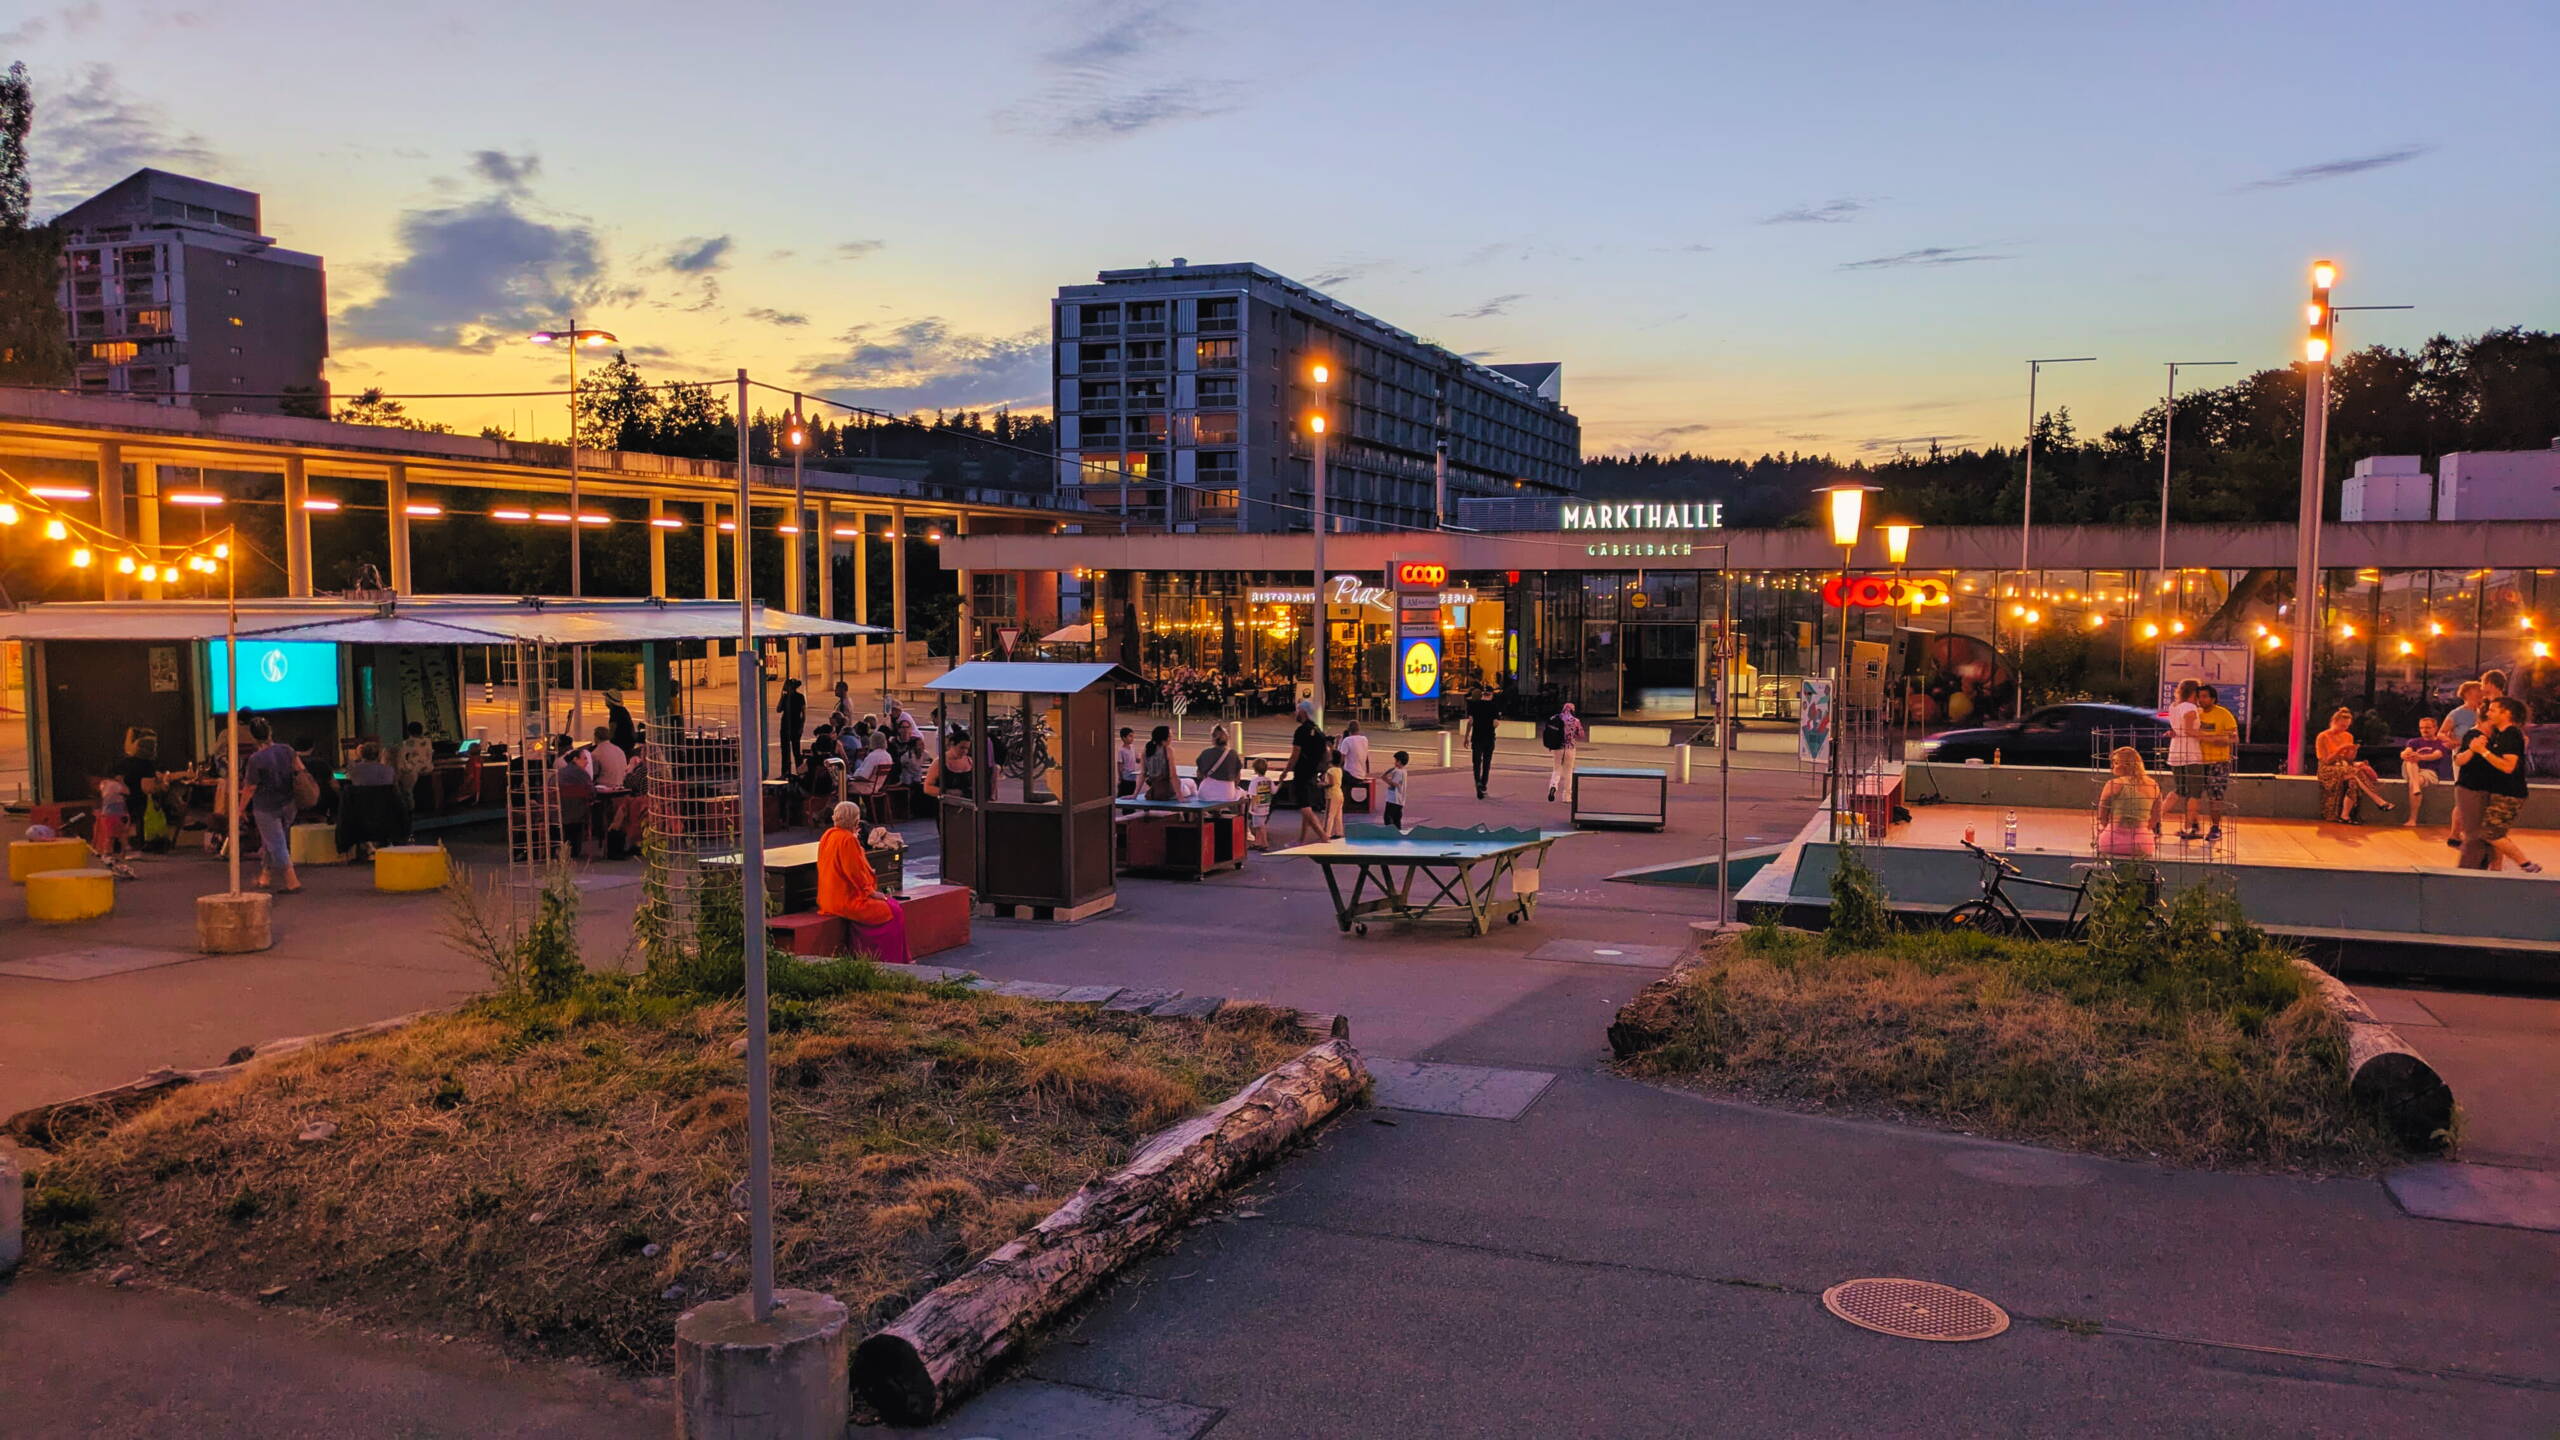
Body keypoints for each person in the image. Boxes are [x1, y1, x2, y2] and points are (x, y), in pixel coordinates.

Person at [819, 800, 910, 964]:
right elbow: (855, 874)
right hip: (847, 900)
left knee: (892, 907)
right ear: (856, 820)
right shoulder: (848, 840)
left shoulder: (828, 835)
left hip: (828, 898)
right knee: (894, 910)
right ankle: (893, 958)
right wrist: (871, 892)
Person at [2456, 697, 2540, 872]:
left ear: (2506, 713)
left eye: (2493, 710)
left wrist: (2483, 751)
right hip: (2499, 791)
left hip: (2509, 793)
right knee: (2488, 833)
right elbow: (2460, 759)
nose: (2488, 713)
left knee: (2490, 834)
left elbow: (2508, 766)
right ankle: (2492, 868)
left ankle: (2525, 864)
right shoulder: (2502, 734)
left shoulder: (2510, 734)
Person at [242, 717, 301, 894]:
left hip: (266, 806)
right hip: (289, 802)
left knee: (276, 843)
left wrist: (240, 808)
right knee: (274, 839)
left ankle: (292, 880)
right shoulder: (287, 750)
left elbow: (250, 788)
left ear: (252, 737)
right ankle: (265, 875)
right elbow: (300, 770)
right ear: (270, 732)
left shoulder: (255, 759)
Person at [2316, 708, 2393, 823]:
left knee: (2353, 782)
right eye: (2342, 725)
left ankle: (2345, 815)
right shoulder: (2323, 736)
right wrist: (2340, 749)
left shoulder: (2348, 736)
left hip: (2344, 767)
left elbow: (2349, 759)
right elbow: (2326, 761)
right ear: (2334, 722)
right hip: (2328, 769)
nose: (2344, 729)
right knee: (2354, 772)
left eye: (2347, 726)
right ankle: (2379, 801)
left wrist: (2352, 751)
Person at [2093, 746, 2162, 858]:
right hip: (2142, 843)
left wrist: (2111, 829)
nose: (2112, 766)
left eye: (2115, 762)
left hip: (2113, 841)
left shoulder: (2113, 784)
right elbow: (2155, 818)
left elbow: (2102, 816)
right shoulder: (2153, 785)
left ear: (2125, 764)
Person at [2194, 684, 2240, 842]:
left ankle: (2215, 827)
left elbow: (2233, 738)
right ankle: (2193, 826)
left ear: (2213, 698)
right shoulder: (2195, 714)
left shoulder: (2223, 714)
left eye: (2205, 696)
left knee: (2215, 796)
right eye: (2199, 696)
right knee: (2193, 795)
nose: (2201, 700)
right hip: (2198, 761)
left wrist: (2207, 738)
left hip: (2218, 762)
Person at [2161, 679, 2206, 838]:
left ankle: (2155, 819)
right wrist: (2211, 736)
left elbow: (2178, 729)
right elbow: (2189, 730)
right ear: (2194, 693)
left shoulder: (2174, 707)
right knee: (2195, 792)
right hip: (2190, 753)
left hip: (2176, 752)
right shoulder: (2190, 707)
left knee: (2180, 789)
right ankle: (2190, 828)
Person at [2399, 716, 2453, 826]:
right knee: (2410, 761)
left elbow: (2435, 755)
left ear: (2435, 728)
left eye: (2428, 727)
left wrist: (2419, 757)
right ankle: (2416, 786)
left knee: (2414, 778)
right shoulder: (2414, 742)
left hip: (2429, 772)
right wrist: (2406, 754)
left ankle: (2412, 819)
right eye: (2422, 728)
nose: (2424, 730)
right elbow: (2405, 753)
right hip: (2411, 769)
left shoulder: (2441, 743)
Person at [554, 738, 596, 858]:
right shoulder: (582, 775)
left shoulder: (559, 773)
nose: (587, 762)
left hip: (559, 811)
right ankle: (575, 850)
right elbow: (592, 793)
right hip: (578, 812)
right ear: (575, 759)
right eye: (584, 759)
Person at [1287, 699, 1329, 811]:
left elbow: (1295, 754)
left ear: (1303, 712)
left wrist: (1286, 771)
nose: (1296, 713)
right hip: (1313, 772)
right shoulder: (1317, 729)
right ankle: (1305, 829)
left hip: (1303, 772)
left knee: (1304, 807)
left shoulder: (1301, 731)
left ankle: (1319, 830)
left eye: (1298, 710)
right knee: (1308, 806)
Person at [1298, 744, 1344, 844]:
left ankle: (1326, 833)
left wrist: (1320, 784)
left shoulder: (1330, 770)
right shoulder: (1339, 769)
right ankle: (1339, 831)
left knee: (1329, 815)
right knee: (1337, 814)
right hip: (1339, 794)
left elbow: (1330, 783)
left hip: (1332, 795)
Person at [1466, 686, 1503, 799]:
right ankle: (1484, 783)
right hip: (1489, 738)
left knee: (1476, 762)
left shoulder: (1474, 705)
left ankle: (1477, 781)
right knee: (1487, 762)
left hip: (1476, 738)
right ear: (1491, 695)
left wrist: (1466, 736)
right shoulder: (1493, 706)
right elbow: (1495, 723)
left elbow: (1470, 722)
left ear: (1482, 695)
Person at [1543, 701, 1584, 802]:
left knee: (1556, 769)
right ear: (1573, 710)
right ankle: (1567, 796)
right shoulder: (1576, 721)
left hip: (1557, 747)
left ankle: (1553, 786)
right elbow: (1581, 735)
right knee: (1568, 772)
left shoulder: (1556, 718)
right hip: (1570, 748)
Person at [1194, 724, 1243, 804]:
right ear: (1227, 739)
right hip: (1227, 794)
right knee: (1243, 794)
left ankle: (1211, 813)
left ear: (1213, 738)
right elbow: (1237, 778)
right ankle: (1239, 814)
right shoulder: (1233, 754)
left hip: (1205, 794)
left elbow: (1199, 775)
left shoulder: (1205, 753)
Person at [394, 720, 435, 815]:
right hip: (428, 768)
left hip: (414, 770)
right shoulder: (428, 741)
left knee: (404, 784)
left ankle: (410, 808)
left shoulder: (406, 744)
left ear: (408, 732)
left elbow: (403, 760)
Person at [1243, 756, 1276, 850]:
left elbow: (1252, 795)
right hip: (1265, 806)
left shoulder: (1254, 781)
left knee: (1260, 826)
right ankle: (1257, 842)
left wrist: (1252, 807)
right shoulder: (1269, 780)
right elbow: (1274, 791)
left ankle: (1264, 844)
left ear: (1255, 769)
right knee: (1258, 825)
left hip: (1256, 807)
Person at [1141, 724, 1179, 802]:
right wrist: (1180, 796)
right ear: (1166, 738)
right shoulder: (1168, 750)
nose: (1172, 738)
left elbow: (1142, 774)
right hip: (1168, 790)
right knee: (1191, 782)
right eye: (1170, 736)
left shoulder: (1146, 750)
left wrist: (1134, 794)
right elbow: (1173, 775)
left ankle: (1197, 813)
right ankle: (1202, 813)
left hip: (1155, 789)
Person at [777, 678, 807, 772]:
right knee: (785, 750)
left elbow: (803, 713)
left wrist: (801, 727)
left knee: (796, 750)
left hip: (795, 724)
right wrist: (782, 696)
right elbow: (778, 709)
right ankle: (786, 771)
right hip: (786, 725)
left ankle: (799, 770)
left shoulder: (800, 697)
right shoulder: (785, 697)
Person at [587, 725, 629, 791]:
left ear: (596, 737)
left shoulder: (596, 753)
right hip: (620, 786)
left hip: (604, 788)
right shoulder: (619, 750)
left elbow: (593, 774)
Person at [1381, 750, 1410, 829]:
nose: (1394, 762)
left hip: (1393, 799)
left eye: (1395, 760)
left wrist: (1385, 779)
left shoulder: (1398, 772)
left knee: (1388, 817)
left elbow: (1394, 784)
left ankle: (1390, 834)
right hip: (1400, 800)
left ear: (1399, 761)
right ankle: (1398, 834)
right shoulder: (1404, 771)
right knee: (1397, 819)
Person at [1115, 726, 1142, 797]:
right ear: (1124, 738)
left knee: (1131, 794)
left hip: (1133, 777)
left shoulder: (1133, 747)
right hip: (1126, 778)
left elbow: (1137, 760)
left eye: (1133, 736)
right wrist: (1120, 778)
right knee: (1123, 796)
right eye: (1130, 736)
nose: (1132, 738)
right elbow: (1120, 765)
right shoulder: (1121, 750)